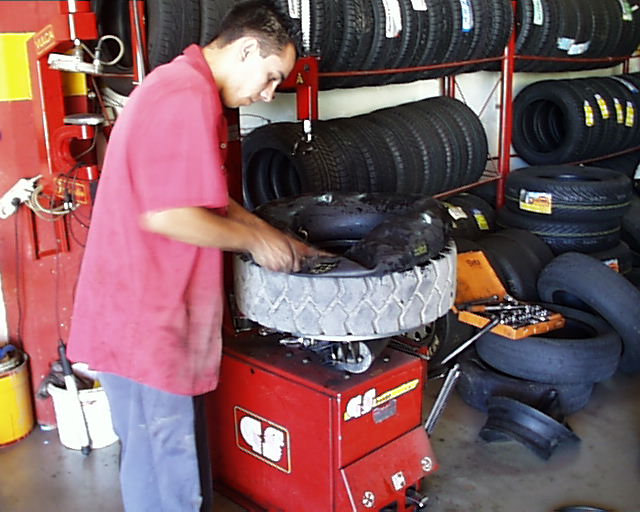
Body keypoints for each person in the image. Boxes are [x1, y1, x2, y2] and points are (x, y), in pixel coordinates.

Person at [67, 3, 320, 511]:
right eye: (271, 77)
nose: (268, 94)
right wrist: (256, 243)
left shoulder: (186, 87)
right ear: (246, 50)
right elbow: (167, 216)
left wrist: (269, 232)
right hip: (146, 322)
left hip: (149, 314)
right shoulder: (183, 96)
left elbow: (205, 198)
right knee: (167, 476)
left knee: (163, 465)